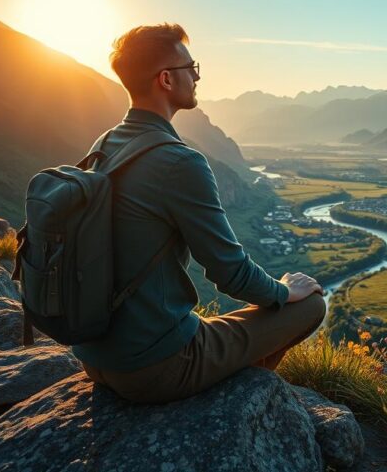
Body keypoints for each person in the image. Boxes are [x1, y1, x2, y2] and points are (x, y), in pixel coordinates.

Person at [73, 23, 326, 403]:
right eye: (191, 67)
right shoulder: (178, 162)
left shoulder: (105, 142)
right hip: (156, 366)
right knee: (312, 305)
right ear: (166, 80)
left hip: (96, 357)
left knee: (215, 323)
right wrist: (285, 290)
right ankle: (236, 394)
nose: (197, 75)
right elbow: (231, 274)